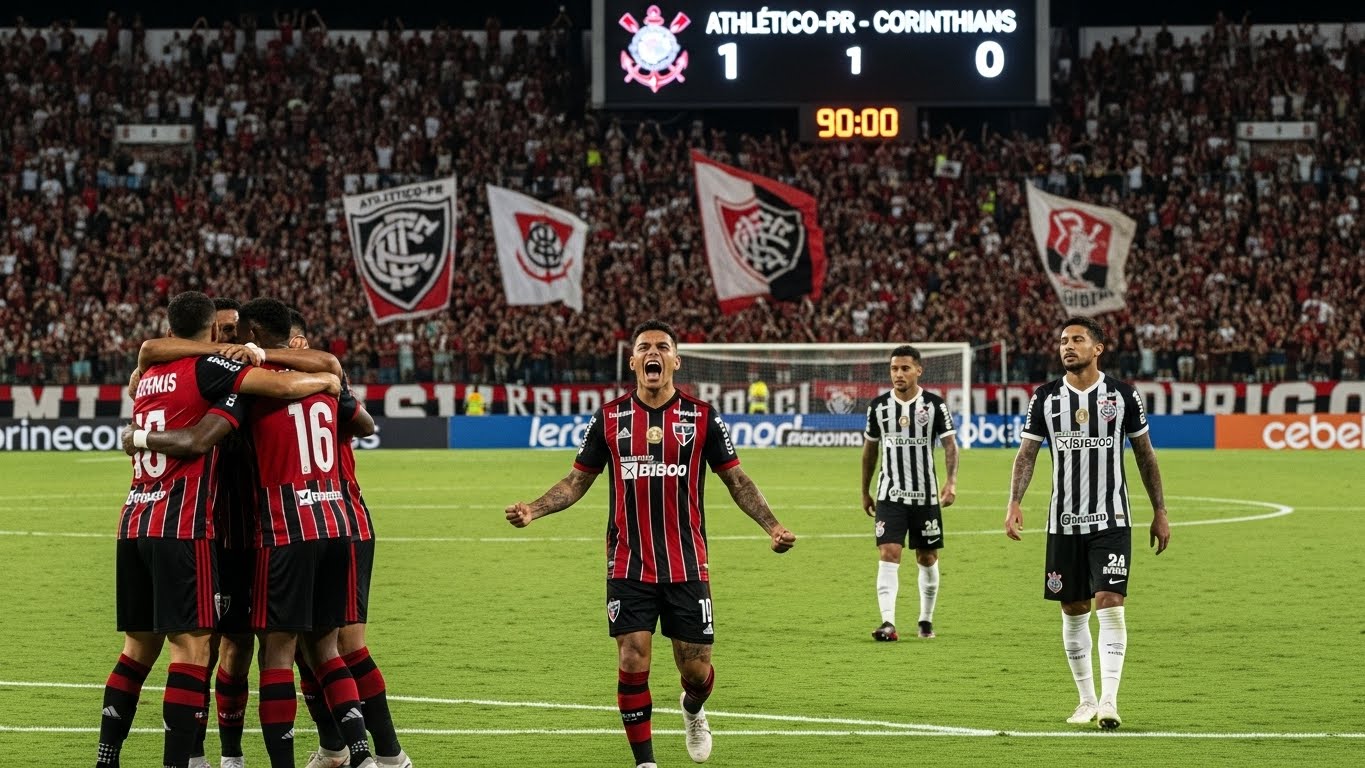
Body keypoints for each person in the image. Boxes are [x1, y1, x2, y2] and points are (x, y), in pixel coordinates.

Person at [505, 319, 797, 768]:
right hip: (628, 563)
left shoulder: (701, 417)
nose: (652, 353)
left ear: (675, 361)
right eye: (644, 347)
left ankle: (693, 708)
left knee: (695, 670)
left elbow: (737, 480)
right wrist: (535, 509)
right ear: (634, 360)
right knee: (632, 656)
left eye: (662, 347)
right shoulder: (609, 418)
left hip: (686, 563)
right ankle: (645, 762)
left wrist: (772, 527)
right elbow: (576, 482)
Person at [99, 291, 340, 768]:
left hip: (143, 521)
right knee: (197, 648)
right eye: (223, 332)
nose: (231, 340)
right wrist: (328, 384)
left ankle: (113, 759)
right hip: (189, 527)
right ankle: (188, 759)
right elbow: (287, 388)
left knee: (147, 649)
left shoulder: (148, 375)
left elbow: (148, 353)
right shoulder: (215, 371)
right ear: (212, 332)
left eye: (238, 334)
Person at [1004, 316, 1171, 731]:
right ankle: (1086, 700)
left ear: (1098, 348)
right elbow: (1027, 455)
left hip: (1112, 519)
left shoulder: (1123, 397)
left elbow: (1145, 455)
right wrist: (1014, 502)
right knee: (1073, 607)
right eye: (1063, 340)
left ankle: (1110, 701)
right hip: (1062, 521)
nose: (1067, 346)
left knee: (1110, 603)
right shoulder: (1044, 398)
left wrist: (1160, 510)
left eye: (1077, 340)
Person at [284, 310, 413, 768]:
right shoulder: (281, 382)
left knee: (344, 645)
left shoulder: (324, 375)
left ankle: (390, 754)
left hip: (343, 520)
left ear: (299, 342)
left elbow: (364, 422)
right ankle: (333, 747)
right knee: (303, 647)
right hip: (304, 522)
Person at [861, 345, 959, 641]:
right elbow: (870, 451)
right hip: (890, 495)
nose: (899, 374)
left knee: (927, 558)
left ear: (918, 370)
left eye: (905, 368)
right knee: (888, 553)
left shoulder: (934, 405)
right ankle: (888, 622)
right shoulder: (878, 407)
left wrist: (950, 482)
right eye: (894, 369)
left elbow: (951, 446)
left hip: (926, 496)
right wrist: (865, 491)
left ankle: (926, 620)